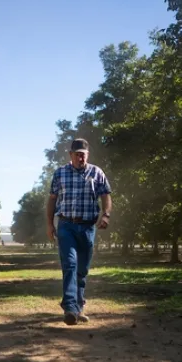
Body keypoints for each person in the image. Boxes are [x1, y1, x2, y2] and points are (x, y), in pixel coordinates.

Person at [46, 138, 112, 325]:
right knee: (70, 264)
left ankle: (78, 307)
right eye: (77, 155)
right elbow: (52, 199)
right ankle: (69, 307)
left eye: (83, 155)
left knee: (82, 269)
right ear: (70, 155)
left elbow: (106, 196)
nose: (80, 158)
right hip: (66, 225)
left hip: (87, 228)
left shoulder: (96, 173)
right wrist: (50, 224)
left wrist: (105, 215)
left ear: (87, 155)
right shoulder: (60, 173)